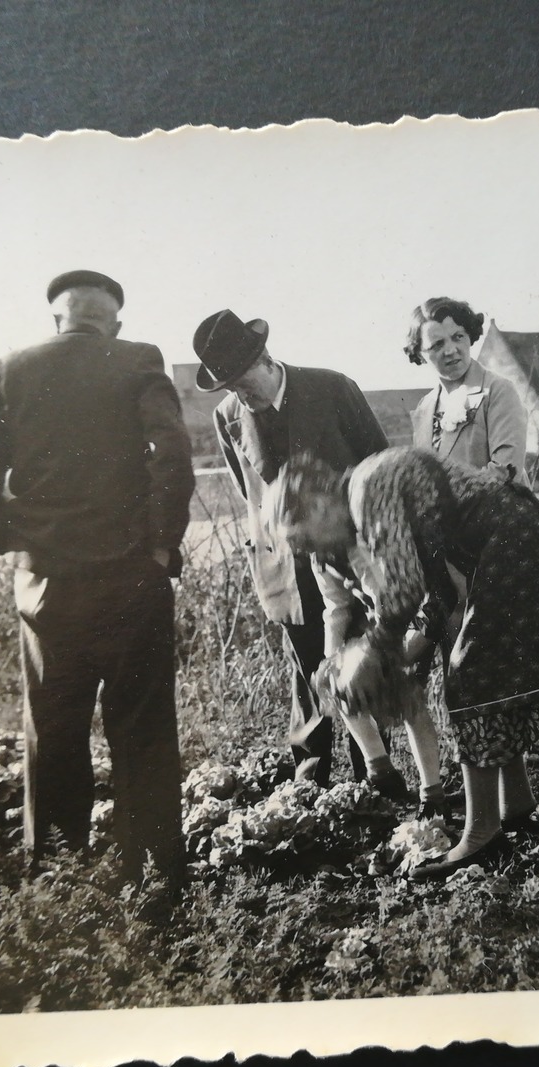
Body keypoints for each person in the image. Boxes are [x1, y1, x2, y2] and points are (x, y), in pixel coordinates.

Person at [0, 270, 195, 882]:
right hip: (133, 576)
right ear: (112, 321)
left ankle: (59, 881)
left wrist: (11, 541)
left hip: (46, 586)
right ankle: (156, 885)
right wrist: (162, 545)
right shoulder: (139, 359)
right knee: (142, 731)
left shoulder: (13, 367)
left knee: (54, 732)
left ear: (57, 319)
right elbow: (172, 452)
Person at [266, 447, 539, 879]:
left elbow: (403, 589)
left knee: (470, 679)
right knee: (485, 674)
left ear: (318, 501)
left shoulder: (367, 489)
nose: (313, 548)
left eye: (306, 534)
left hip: (509, 541)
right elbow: (433, 587)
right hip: (509, 539)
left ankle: (482, 834)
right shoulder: (367, 490)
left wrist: (370, 650)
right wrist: (400, 650)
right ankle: (515, 807)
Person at [194, 308, 409, 797]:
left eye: (242, 381)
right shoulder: (229, 415)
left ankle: (373, 777)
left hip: (350, 551)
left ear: (265, 360)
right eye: (227, 385)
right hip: (284, 562)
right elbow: (251, 492)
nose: (239, 394)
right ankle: (311, 778)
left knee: (358, 656)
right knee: (307, 664)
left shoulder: (333, 388)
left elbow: (381, 466)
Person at [405, 297, 528, 475]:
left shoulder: (498, 391)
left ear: (470, 337)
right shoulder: (424, 408)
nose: (451, 350)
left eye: (458, 337)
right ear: (420, 354)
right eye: (437, 344)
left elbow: (506, 472)